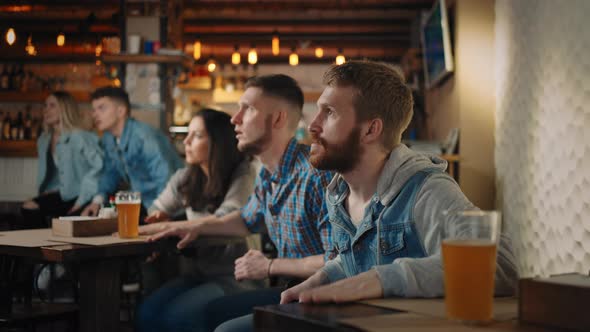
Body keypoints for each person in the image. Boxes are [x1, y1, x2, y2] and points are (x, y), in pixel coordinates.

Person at [280, 60, 518, 306]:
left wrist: (379, 280)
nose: (312, 125)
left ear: (371, 130)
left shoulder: (426, 188)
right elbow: (359, 256)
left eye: (329, 112)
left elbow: (500, 265)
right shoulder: (338, 194)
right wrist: (323, 278)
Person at [139, 74, 334, 332]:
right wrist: (195, 228)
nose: (234, 118)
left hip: (326, 295)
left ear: (277, 118)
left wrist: (270, 266)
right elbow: (245, 220)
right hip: (292, 290)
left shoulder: (315, 174)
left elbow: (337, 260)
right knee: (208, 313)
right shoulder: (267, 173)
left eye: (248, 109)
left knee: (219, 328)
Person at [135, 108, 262, 331]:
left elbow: (227, 217)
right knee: (147, 312)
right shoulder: (186, 177)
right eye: (188, 134)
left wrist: (170, 225)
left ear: (219, 142)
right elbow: (157, 209)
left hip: (237, 277)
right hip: (197, 274)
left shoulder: (243, 173)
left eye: (197, 136)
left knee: (177, 317)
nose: (186, 142)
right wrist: (159, 219)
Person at [81, 86, 183, 217]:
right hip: (142, 204)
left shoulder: (143, 136)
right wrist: (97, 201)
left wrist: (159, 213)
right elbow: (110, 173)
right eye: (93, 109)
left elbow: (165, 179)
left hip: (169, 208)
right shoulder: (108, 138)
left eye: (101, 108)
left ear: (121, 111)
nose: (95, 114)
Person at [21, 91, 102, 229]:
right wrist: (51, 191)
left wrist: (83, 200)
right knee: (29, 207)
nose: (46, 110)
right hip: (64, 194)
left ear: (65, 109)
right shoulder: (44, 140)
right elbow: (60, 174)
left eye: (52, 105)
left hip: (84, 194)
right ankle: (43, 246)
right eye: (45, 105)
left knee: (65, 224)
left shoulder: (80, 136)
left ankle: (47, 244)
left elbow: (101, 168)